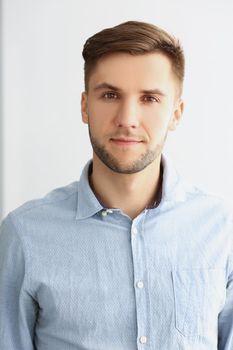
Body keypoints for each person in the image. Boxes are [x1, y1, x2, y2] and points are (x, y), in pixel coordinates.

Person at [0, 20, 232, 350]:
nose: (127, 118)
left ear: (177, 113)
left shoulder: (222, 229)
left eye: (150, 98)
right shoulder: (24, 234)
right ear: (84, 106)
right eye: (110, 95)